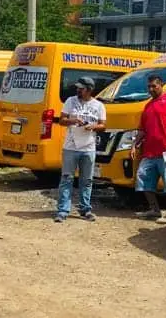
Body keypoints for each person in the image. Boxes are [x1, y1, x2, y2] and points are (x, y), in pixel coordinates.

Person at [131, 73, 166, 223]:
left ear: (161, 85)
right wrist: (135, 145)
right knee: (143, 178)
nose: (151, 89)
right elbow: (143, 129)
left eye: (154, 86)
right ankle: (154, 210)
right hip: (150, 151)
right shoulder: (148, 105)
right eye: (149, 86)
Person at [54, 76, 106, 223]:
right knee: (66, 178)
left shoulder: (98, 106)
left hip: (88, 147)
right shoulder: (71, 101)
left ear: (89, 90)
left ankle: (85, 209)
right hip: (70, 146)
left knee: (87, 180)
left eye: (81, 89)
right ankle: (63, 210)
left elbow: (103, 125)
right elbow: (61, 120)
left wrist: (93, 126)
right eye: (77, 88)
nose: (78, 90)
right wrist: (74, 120)